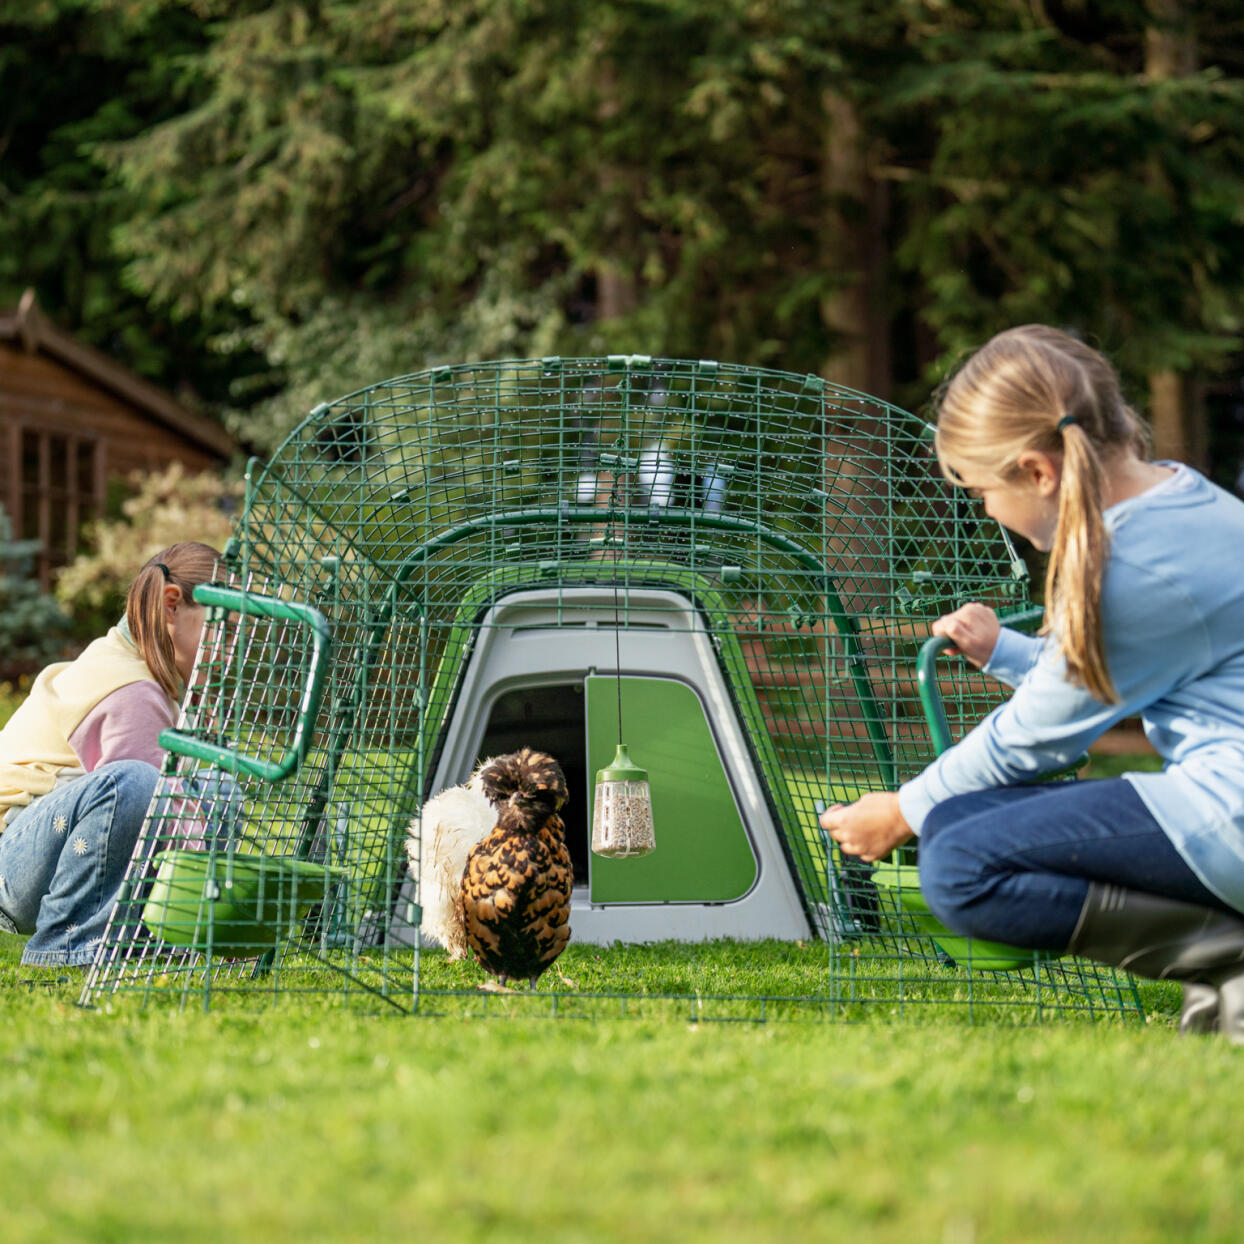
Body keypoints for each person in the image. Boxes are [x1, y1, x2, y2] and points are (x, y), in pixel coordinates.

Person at [819, 325, 1244, 1042]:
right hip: (1218, 797)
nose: (986, 509)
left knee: (956, 865)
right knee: (955, 826)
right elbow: (1104, 669)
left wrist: (900, 808)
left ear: (1037, 471)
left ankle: (1229, 963)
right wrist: (1005, 652)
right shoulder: (1179, 499)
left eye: (983, 489)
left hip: (1227, 813)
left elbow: (1031, 740)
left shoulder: (1134, 571)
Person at [0, 542, 223, 967]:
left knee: (202, 786)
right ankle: (66, 947)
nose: (229, 652)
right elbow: (162, 815)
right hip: (10, 866)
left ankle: (137, 939)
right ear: (171, 606)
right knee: (135, 784)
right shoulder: (131, 691)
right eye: (221, 632)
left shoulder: (132, 663)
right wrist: (227, 880)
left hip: (28, 850)